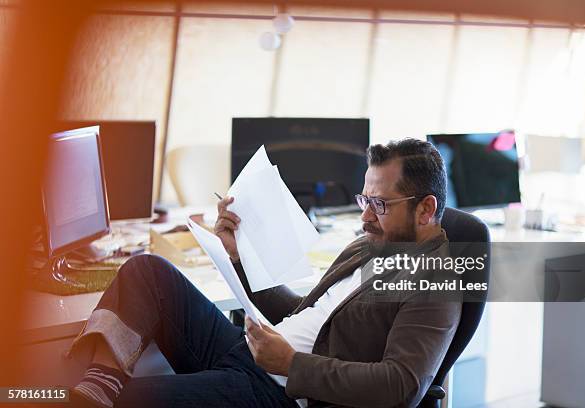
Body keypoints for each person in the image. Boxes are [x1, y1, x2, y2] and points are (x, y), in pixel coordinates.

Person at [68, 138, 461, 408]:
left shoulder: (436, 282)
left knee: (127, 402)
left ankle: (101, 393)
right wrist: (240, 259)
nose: (364, 216)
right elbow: (297, 311)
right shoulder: (369, 245)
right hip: (255, 356)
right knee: (148, 271)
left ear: (425, 209)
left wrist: (290, 364)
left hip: (279, 394)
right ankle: (101, 381)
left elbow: (402, 385)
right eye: (364, 199)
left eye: (379, 203)